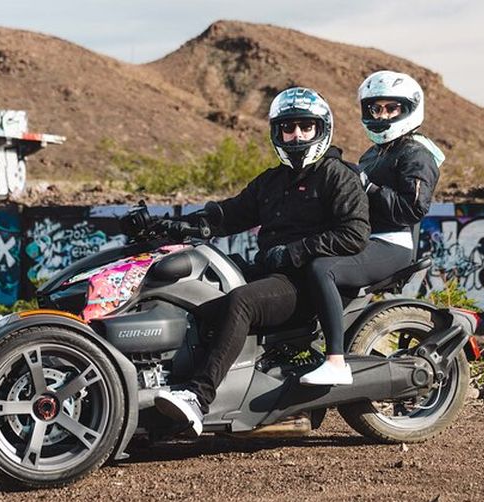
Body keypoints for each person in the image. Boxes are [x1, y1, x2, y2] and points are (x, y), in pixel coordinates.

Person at [154, 87, 370, 435]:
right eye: (288, 127)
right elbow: (228, 213)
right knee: (199, 294)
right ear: (277, 132)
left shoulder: (337, 175)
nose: (296, 134)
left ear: (321, 129)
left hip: (310, 283)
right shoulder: (271, 182)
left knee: (241, 302)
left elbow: (354, 234)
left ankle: (198, 398)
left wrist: (294, 252)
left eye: (305, 126)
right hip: (274, 273)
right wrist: (178, 224)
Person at [299, 70, 445, 386]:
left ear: (409, 109)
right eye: (375, 109)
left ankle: (335, 361)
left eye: (391, 108)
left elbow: (412, 209)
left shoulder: (416, 152)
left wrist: (366, 186)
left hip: (393, 243)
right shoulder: (373, 153)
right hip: (364, 238)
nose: (381, 115)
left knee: (323, 269)